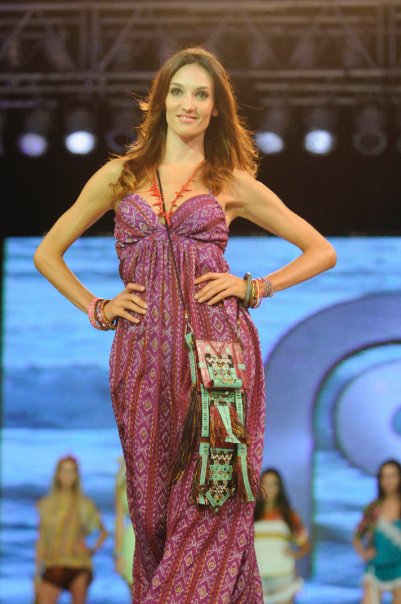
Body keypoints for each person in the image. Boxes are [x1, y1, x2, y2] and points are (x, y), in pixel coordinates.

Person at [33, 46, 336, 603]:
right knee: (151, 516)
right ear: (160, 101)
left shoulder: (230, 182)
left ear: (217, 108)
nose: (188, 104)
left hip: (218, 361)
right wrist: (97, 307)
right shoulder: (121, 176)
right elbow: (48, 254)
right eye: (178, 92)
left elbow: (321, 250)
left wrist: (254, 287)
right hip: (141, 357)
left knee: (211, 504)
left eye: (201, 94)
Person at [34, 455, 108, 604]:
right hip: (53, 565)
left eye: (71, 471)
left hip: (78, 565)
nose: (67, 475)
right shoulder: (45, 505)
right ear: (57, 474)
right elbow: (41, 540)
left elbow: (103, 532)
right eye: (64, 471)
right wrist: (37, 573)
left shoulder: (84, 504)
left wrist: (91, 550)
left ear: (76, 476)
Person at [253, 468, 310, 603]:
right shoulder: (250, 514)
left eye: (274, 484)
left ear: (279, 487)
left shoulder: (288, 515)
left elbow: (305, 544)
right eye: (265, 483)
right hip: (256, 579)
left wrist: (294, 554)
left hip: (283, 577)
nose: (269, 488)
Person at [353, 459, 401, 604]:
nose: (388, 481)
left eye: (392, 476)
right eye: (384, 476)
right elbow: (357, 536)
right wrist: (363, 552)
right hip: (376, 567)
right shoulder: (373, 508)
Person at [114, 457, 135, 594]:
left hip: (158, 538)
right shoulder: (122, 472)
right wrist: (118, 553)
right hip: (131, 540)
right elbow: (119, 519)